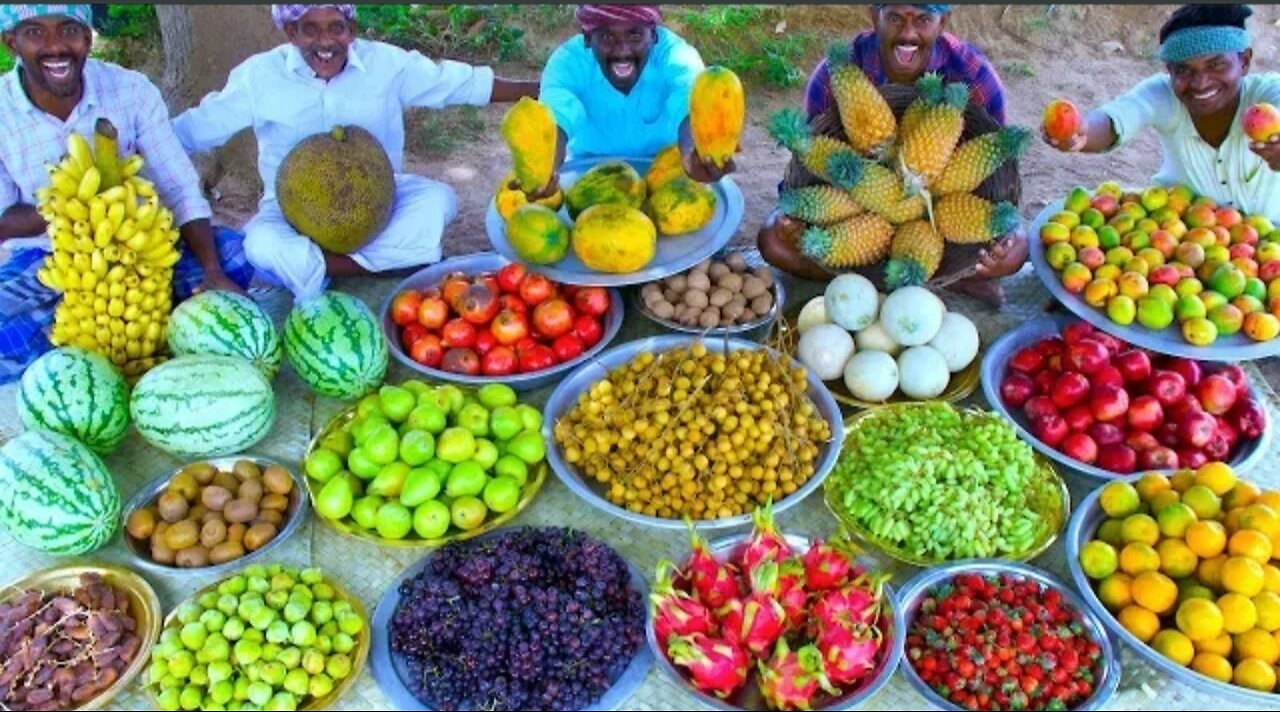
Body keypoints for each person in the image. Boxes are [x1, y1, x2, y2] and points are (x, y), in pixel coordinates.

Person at [172, 4, 540, 300]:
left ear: (352, 28)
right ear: (290, 32)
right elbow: (193, 129)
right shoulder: (259, 78)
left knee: (440, 201)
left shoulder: (386, 64)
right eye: (310, 29)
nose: (325, 41)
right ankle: (379, 265)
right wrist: (134, 144)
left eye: (336, 27)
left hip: (380, 204)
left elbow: (455, 83)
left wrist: (542, 88)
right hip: (291, 215)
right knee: (260, 244)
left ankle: (321, 269)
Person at [0, 4, 252, 384]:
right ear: (12, 42)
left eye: (68, 30)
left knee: (236, 255)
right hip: (50, 260)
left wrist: (213, 271)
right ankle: (115, 334)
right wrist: (78, 207)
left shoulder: (131, 91)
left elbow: (181, 188)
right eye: (35, 33)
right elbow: (3, 221)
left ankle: (95, 338)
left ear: (87, 38)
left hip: (143, 254)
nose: (55, 46)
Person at [759, 4, 1025, 304]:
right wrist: (793, 224)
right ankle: (937, 283)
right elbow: (806, 171)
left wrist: (1002, 240)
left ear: (943, 22)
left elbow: (996, 169)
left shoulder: (974, 75)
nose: (908, 32)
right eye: (895, 17)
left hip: (950, 209)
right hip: (851, 201)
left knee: (1017, 248)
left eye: (923, 19)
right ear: (875, 17)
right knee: (771, 239)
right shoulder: (834, 74)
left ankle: (874, 281)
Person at [1043, 4, 1280, 220]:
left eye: (1215, 65)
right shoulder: (1163, 94)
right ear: (1169, 71)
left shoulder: (1267, 94)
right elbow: (1118, 117)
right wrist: (1081, 133)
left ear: (1245, 61)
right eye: (1184, 70)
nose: (1200, 83)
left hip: (1268, 246)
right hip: (1177, 241)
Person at [539, 4, 732, 186]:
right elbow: (553, 122)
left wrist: (692, 154)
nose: (622, 51)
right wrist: (545, 172)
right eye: (607, 37)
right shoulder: (566, 63)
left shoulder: (677, 57)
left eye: (635, 35)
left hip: (667, 171)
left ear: (654, 35)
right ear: (588, 38)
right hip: (588, 175)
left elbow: (691, 105)